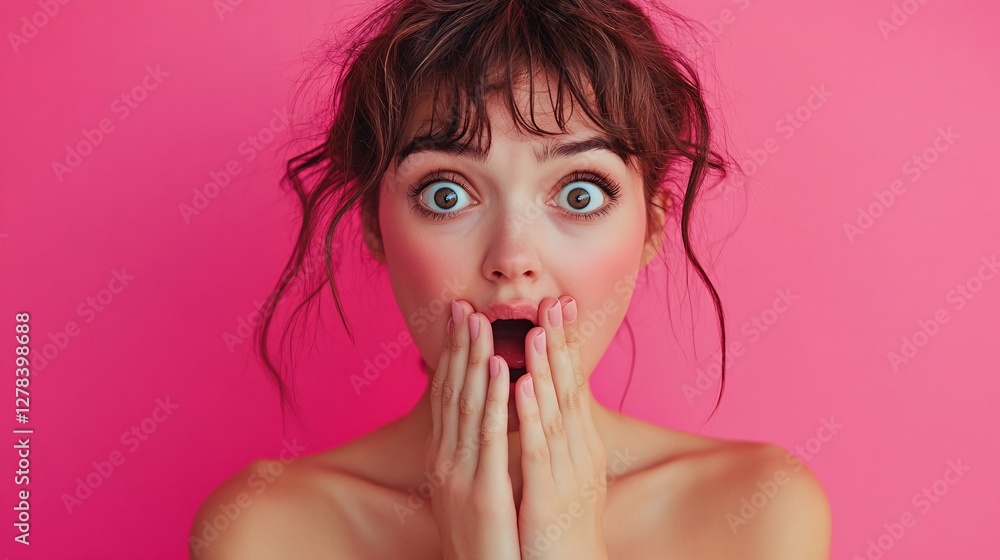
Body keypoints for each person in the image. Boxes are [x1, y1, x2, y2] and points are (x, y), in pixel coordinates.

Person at [190, 0, 831, 557]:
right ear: (376, 228)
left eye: (579, 194)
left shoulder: (757, 513)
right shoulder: (266, 532)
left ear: (652, 229)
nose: (512, 257)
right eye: (446, 194)